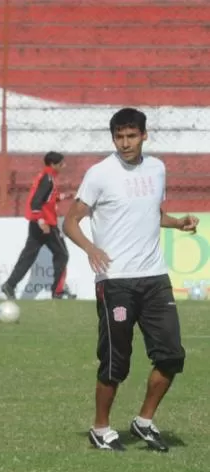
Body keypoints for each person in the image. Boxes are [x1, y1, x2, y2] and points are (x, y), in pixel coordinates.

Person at [62, 108, 198, 452]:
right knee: (115, 362)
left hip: (154, 278)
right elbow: (71, 221)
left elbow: (151, 214)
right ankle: (101, 428)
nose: (125, 143)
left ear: (144, 136)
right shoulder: (99, 174)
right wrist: (91, 248)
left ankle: (144, 421)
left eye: (131, 136)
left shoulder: (157, 169)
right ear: (113, 139)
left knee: (171, 355)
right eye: (119, 137)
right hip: (116, 281)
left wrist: (178, 222)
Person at [2, 152, 70, 299]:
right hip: (45, 224)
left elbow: (48, 197)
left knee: (28, 256)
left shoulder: (46, 177)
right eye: (61, 164)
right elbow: (36, 202)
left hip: (38, 224)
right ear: (53, 164)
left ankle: (9, 285)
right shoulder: (48, 179)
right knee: (62, 254)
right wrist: (41, 221)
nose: (63, 166)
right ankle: (57, 291)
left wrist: (64, 196)